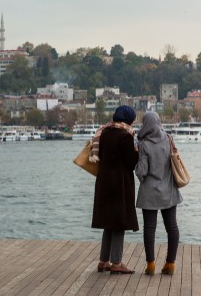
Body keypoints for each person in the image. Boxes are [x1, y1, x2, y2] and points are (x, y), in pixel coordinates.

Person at [90, 105, 139, 274]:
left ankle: (103, 261)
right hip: (119, 184)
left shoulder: (104, 132)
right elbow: (131, 163)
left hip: (104, 182)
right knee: (119, 222)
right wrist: (137, 151)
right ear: (128, 119)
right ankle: (116, 263)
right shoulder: (125, 136)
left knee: (108, 223)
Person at [135, 111, 183, 276]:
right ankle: (170, 263)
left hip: (149, 191)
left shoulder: (144, 144)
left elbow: (142, 171)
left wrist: (137, 169)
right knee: (172, 226)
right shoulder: (168, 139)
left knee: (149, 228)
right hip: (169, 190)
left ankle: (151, 264)